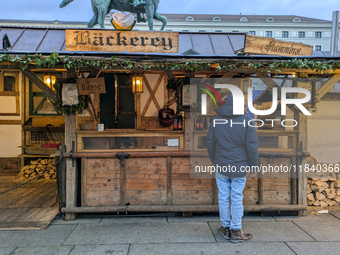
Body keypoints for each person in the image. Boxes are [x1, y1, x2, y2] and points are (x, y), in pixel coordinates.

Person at [206, 93, 258, 243]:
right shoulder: (247, 121)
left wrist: (215, 161)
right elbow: (252, 146)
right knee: (236, 196)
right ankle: (236, 230)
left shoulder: (215, 120)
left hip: (221, 165)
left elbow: (209, 143)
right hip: (240, 166)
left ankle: (225, 227)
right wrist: (254, 165)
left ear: (224, 104)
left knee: (223, 196)